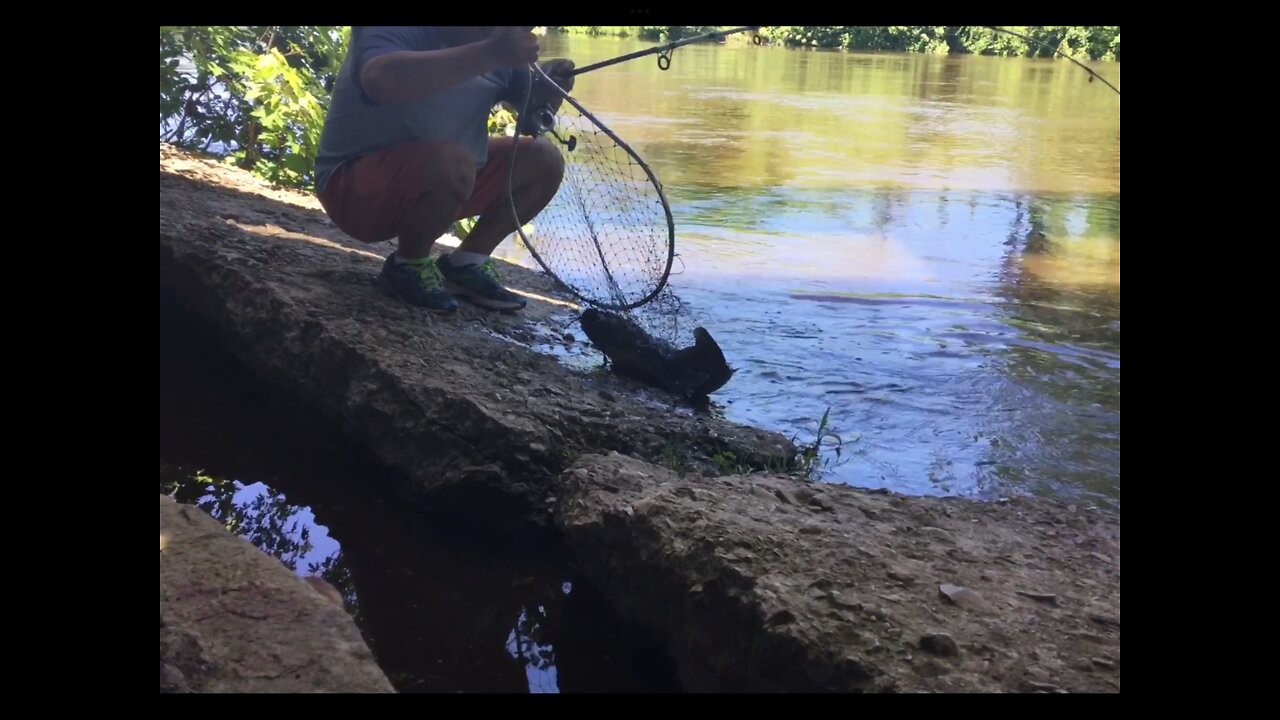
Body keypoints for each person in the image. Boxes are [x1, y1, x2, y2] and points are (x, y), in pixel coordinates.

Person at [314, 27, 575, 313]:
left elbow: (531, 119)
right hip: (354, 188)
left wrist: (547, 90)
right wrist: (490, 52)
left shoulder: (498, 43)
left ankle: (467, 263)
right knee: (453, 161)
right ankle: (408, 266)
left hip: (440, 176)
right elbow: (379, 80)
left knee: (544, 161)